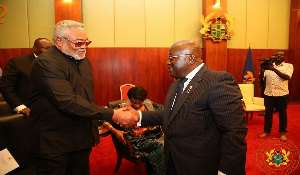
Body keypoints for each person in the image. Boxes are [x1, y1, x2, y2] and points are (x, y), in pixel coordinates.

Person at [29, 20, 138, 175]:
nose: (84, 47)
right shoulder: (46, 62)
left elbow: (85, 98)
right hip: (54, 141)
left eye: (87, 42)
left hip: (81, 137)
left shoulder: (83, 60)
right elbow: (67, 102)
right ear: (59, 41)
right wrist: (112, 114)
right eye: (79, 43)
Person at [138, 40, 247, 175]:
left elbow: (234, 131)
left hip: (201, 166)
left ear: (190, 58)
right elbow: (172, 114)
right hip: (173, 160)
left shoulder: (218, 80)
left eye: (171, 58)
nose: (167, 62)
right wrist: (138, 116)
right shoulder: (175, 85)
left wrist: (226, 171)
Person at [99, 87, 164, 175]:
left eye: (140, 103)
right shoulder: (122, 108)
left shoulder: (149, 104)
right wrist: (115, 131)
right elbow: (102, 118)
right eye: (134, 103)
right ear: (129, 100)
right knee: (162, 145)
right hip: (136, 142)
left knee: (172, 142)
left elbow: (164, 112)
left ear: (144, 100)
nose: (137, 106)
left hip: (153, 136)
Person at [0, 38, 52, 118]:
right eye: (45, 48)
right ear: (35, 48)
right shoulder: (17, 62)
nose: (49, 51)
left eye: (50, 48)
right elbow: (6, 87)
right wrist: (20, 107)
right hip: (29, 109)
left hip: (52, 109)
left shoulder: (55, 63)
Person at [258, 51, 294, 141]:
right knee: (268, 114)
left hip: (282, 94)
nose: (279, 56)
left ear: (284, 57)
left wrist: (273, 69)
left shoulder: (288, 66)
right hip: (268, 93)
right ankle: (266, 131)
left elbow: (287, 77)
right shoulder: (268, 65)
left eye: (281, 54)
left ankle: (282, 132)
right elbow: (261, 78)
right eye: (277, 54)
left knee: (282, 114)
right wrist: (262, 69)